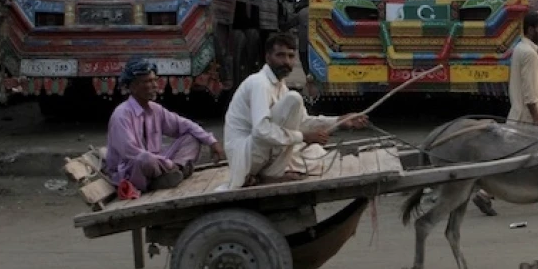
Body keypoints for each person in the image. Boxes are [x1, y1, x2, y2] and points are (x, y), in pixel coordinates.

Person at [222, 32, 369, 190]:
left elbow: (303, 122)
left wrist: (340, 120)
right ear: (268, 57)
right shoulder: (259, 83)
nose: (286, 61)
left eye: (291, 56)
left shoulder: (280, 84)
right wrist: (303, 137)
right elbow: (261, 130)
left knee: (318, 154)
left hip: (261, 153)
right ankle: (270, 175)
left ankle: (270, 172)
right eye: (280, 55)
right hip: (246, 157)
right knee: (294, 99)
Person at [473, 11, 538, 216]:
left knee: (515, 160)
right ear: (530, 29)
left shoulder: (522, 49)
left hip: (526, 115)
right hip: (529, 118)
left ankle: (485, 193)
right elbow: (529, 93)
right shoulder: (528, 53)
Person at [104, 58, 225, 193]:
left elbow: (185, 124)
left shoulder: (155, 109)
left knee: (192, 138)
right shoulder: (121, 115)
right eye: (148, 81)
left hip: (159, 165)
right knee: (145, 159)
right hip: (131, 170)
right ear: (133, 86)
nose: (155, 85)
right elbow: (131, 153)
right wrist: (168, 164)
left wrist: (212, 142)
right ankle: (167, 175)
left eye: (155, 80)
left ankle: (172, 173)